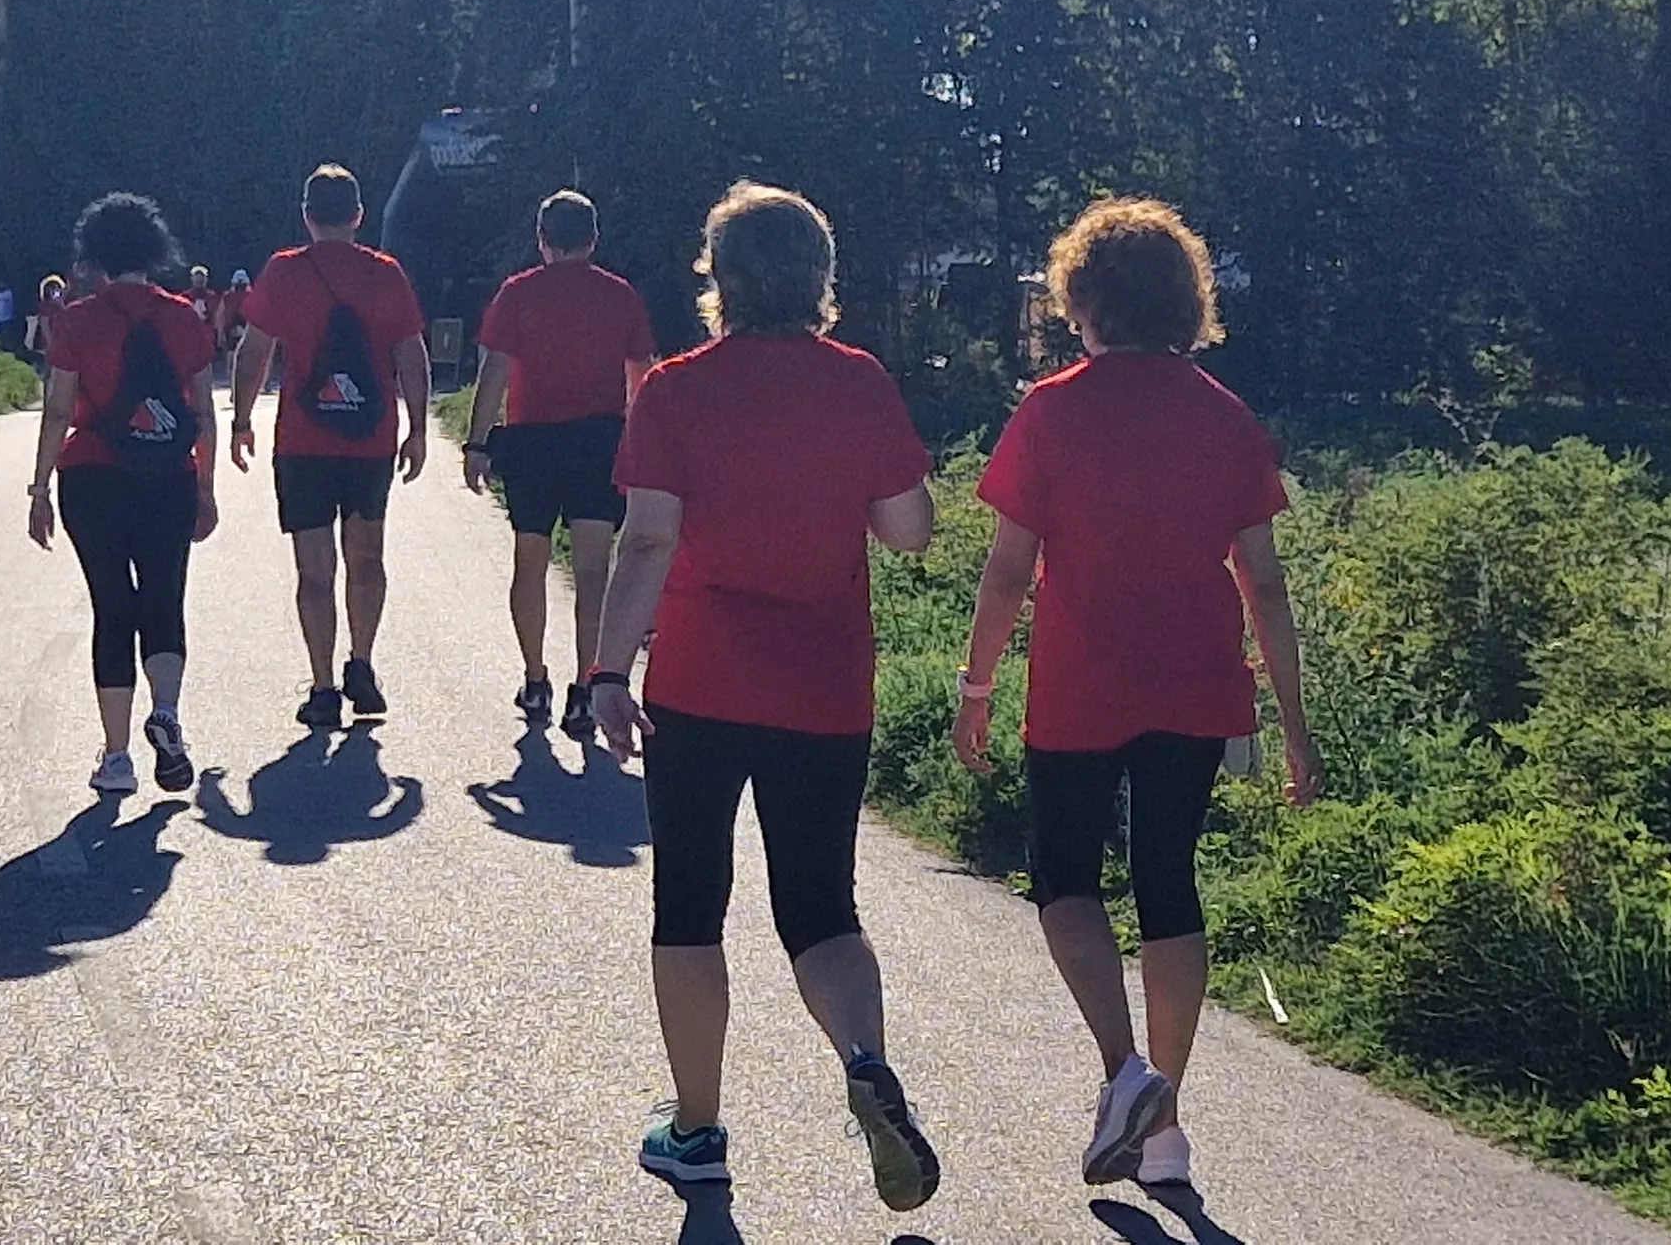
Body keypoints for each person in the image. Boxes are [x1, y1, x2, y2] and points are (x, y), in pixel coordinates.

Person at [949, 198, 1316, 1194]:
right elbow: (1266, 584)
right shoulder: (1225, 416)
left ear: (1085, 298)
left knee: (1064, 880)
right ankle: (1167, 1130)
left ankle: (1124, 1072)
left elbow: (1005, 573)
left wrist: (975, 684)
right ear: (1182, 301)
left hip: (1079, 681)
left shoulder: (1052, 409)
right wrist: (1293, 728)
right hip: (1198, 680)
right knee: (1169, 883)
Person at [589, 183, 942, 1212]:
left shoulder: (675, 389)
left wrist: (608, 673)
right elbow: (909, 531)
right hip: (824, 683)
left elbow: (648, 537)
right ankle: (864, 1062)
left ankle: (695, 1132)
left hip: (698, 684)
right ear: (820, 278)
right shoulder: (858, 382)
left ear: (719, 277)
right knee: (820, 906)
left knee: (690, 907)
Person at [23, 194, 222, 798]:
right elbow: (203, 415)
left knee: (113, 609)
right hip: (169, 476)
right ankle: (166, 712)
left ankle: (117, 758)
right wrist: (206, 488)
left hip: (92, 477)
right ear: (155, 250)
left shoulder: (79, 321)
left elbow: (59, 411)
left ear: (94, 254)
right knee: (164, 598)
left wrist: (39, 489)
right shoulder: (185, 317)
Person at [228, 164, 432, 729]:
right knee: (367, 557)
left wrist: (241, 419)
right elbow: (411, 357)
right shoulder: (385, 273)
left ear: (306, 216)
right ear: (359, 216)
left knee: (313, 571)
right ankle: (361, 663)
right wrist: (417, 428)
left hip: (303, 441)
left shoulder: (284, 272)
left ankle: (322, 686)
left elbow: (253, 352)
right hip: (370, 440)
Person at [462, 189, 659, 742]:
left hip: (532, 444)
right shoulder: (619, 296)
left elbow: (495, 369)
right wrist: (642, 441)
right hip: (599, 441)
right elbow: (642, 374)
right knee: (593, 571)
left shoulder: (518, 293)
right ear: (593, 238)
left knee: (531, 559)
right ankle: (584, 689)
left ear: (541, 239)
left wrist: (477, 443)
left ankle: (535, 679)